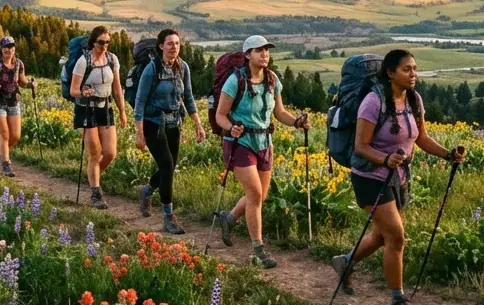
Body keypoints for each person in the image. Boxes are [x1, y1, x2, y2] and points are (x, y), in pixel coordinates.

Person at [331, 49, 465, 305]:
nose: (413, 74)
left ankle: (345, 262)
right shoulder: (372, 101)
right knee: (397, 237)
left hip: (398, 177)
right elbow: (360, 147)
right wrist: (385, 158)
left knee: (383, 236)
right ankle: (397, 302)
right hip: (369, 177)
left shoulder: (414, 100)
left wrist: (448, 154)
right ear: (390, 73)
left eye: (415, 68)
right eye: (407, 69)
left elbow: (422, 138)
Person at [211, 35, 309, 268]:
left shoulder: (273, 79)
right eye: (259, 50)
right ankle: (258, 249)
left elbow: (280, 112)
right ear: (247, 55)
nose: (264, 54)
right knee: (255, 194)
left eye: (266, 50)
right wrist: (231, 128)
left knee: (261, 196)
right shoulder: (235, 81)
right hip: (240, 142)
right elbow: (220, 115)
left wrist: (296, 122)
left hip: (265, 141)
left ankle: (230, 217)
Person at [134, 28, 204, 234]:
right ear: (161, 46)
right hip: (153, 122)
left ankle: (146, 191)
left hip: (175, 122)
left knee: (170, 168)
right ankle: (168, 216)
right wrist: (140, 133)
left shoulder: (183, 68)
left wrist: (198, 124)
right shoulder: (151, 69)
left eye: (177, 43)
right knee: (166, 164)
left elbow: (188, 98)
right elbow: (140, 101)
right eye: (170, 43)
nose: (174, 47)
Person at [69, 26, 126, 209]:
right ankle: (95, 192)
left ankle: (93, 177)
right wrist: (84, 92)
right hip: (87, 108)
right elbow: (73, 90)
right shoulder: (82, 61)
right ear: (93, 43)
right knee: (95, 153)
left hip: (106, 107)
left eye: (107, 42)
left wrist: (122, 111)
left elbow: (117, 88)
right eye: (101, 42)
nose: (105, 45)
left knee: (110, 153)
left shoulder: (112, 59)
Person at [0, 35, 36, 177]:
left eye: (11, 47)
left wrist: (30, 84)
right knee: (5, 134)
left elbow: (22, 81)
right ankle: (6, 164)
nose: (9, 50)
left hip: (14, 101)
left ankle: (4, 152)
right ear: (1, 49)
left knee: (16, 136)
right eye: (6, 47)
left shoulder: (19, 63)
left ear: (14, 49)